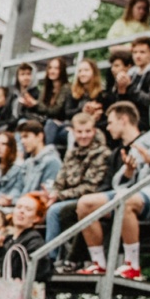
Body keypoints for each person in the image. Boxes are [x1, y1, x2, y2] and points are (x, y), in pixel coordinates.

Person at [75, 94, 150, 279]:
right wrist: (129, 172)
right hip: (139, 192)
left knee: (125, 200)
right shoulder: (145, 139)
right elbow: (120, 183)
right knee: (85, 204)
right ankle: (98, 263)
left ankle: (132, 265)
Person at [42, 109, 113, 271]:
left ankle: (50, 258)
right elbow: (60, 180)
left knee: (54, 211)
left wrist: (59, 196)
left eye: (87, 131)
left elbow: (91, 187)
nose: (83, 136)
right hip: (68, 197)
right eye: (79, 132)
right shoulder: (71, 153)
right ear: (73, 132)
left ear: (94, 131)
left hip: (91, 199)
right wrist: (53, 193)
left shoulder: (102, 153)